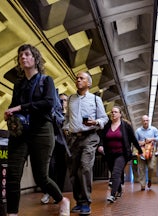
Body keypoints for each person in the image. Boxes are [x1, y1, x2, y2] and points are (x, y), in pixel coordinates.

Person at [4, 44, 70, 216]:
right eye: (20, 56)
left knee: (41, 177)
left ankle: (62, 200)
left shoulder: (46, 81)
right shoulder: (18, 84)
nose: (23, 58)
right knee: (12, 175)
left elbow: (48, 103)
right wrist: (9, 112)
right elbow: (14, 105)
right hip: (20, 133)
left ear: (35, 58)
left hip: (41, 131)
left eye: (26, 54)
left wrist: (21, 107)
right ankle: (12, 213)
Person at [63, 71, 108, 215]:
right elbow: (67, 118)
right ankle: (79, 201)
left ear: (88, 83)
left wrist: (96, 122)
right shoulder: (70, 99)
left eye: (81, 78)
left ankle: (86, 202)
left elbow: (104, 118)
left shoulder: (95, 99)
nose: (78, 80)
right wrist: (66, 128)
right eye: (77, 78)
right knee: (74, 171)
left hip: (90, 137)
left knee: (85, 167)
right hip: (73, 139)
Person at [97, 106, 143, 203]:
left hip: (121, 154)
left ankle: (112, 195)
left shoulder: (126, 126)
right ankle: (119, 189)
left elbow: (133, 139)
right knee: (114, 172)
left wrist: (139, 150)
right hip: (109, 154)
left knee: (115, 173)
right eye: (112, 112)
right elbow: (101, 138)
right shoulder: (106, 126)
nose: (113, 113)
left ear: (120, 114)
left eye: (115, 112)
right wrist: (100, 145)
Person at [41, 93, 68, 204]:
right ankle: (48, 192)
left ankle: (59, 193)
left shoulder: (69, 115)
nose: (62, 102)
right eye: (60, 100)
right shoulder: (52, 113)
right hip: (51, 143)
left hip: (64, 145)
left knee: (62, 169)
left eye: (65, 100)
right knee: (50, 167)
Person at [135, 115, 158, 191]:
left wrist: (152, 139)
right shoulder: (138, 131)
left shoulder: (153, 129)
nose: (145, 122)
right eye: (144, 121)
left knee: (151, 167)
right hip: (141, 152)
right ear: (141, 121)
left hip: (151, 152)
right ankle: (143, 185)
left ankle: (149, 179)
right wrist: (141, 143)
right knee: (141, 168)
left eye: (147, 120)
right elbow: (135, 142)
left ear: (149, 121)